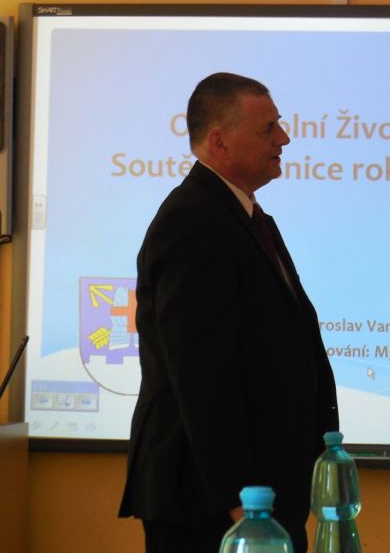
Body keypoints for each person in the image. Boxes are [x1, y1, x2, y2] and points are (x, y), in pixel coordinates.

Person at [119, 72, 339, 553]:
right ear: (219, 141)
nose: (284, 138)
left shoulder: (244, 216)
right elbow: (200, 371)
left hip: (260, 496)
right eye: (268, 128)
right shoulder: (194, 220)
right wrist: (242, 502)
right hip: (215, 507)